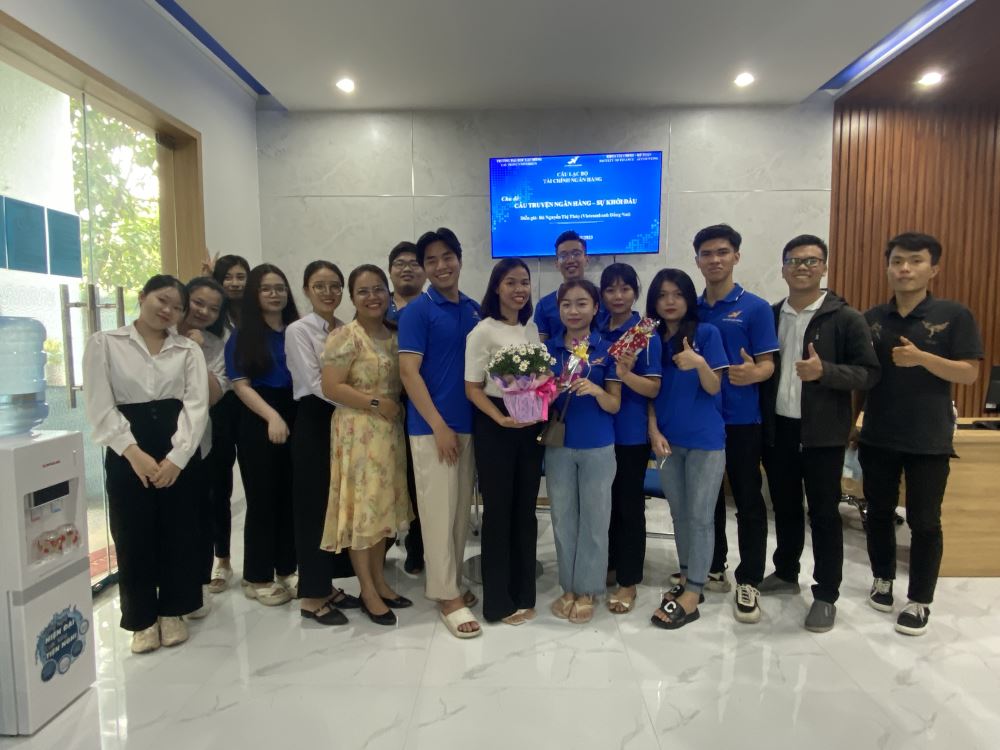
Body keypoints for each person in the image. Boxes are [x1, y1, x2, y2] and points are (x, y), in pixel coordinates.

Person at [854, 232, 982, 636]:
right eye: (896, 261)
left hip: (928, 439)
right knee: (878, 513)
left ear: (933, 269)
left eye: (915, 261)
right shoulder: (872, 318)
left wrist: (921, 358)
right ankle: (882, 579)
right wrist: (850, 426)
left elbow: (969, 372)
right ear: (887, 267)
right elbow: (863, 378)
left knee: (925, 521)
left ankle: (920, 600)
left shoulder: (953, 315)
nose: (904, 269)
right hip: (878, 434)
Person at [758, 235, 880, 633]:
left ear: (824, 267)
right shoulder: (771, 315)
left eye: (811, 261)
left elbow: (869, 373)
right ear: (783, 268)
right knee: (785, 507)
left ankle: (826, 594)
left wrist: (825, 371)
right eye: (794, 261)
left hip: (823, 433)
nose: (802, 267)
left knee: (825, 514)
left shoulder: (845, 318)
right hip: (779, 428)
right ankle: (786, 572)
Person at [83, 275, 209, 654]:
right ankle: (141, 619)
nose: (168, 310)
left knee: (179, 529)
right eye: (162, 300)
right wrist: (132, 452)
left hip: (176, 444)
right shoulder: (105, 343)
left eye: (177, 307)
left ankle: (173, 610)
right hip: (127, 447)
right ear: (142, 297)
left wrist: (177, 458)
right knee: (132, 532)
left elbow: (196, 405)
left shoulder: (187, 349)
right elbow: (100, 406)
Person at [398, 227, 483, 639]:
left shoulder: (473, 309)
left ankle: (452, 582)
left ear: (459, 259)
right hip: (432, 430)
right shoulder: (418, 311)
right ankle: (445, 595)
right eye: (431, 260)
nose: (441, 265)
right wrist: (438, 425)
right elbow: (408, 373)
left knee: (459, 513)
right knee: (436, 515)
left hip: (468, 426)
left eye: (447, 257)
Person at [693, 223, 778, 624]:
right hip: (701, 420)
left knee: (747, 499)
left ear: (736, 257)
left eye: (722, 252)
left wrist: (754, 373)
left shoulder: (756, 308)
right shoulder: (693, 309)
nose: (715, 260)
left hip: (743, 419)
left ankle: (750, 579)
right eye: (707, 254)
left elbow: (768, 364)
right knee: (707, 498)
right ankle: (714, 566)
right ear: (697, 260)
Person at [321, 264, 413, 626]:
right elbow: (331, 387)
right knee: (364, 512)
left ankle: (379, 582)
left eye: (378, 289)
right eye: (363, 291)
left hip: (389, 433)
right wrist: (375, 403)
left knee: (381, 512)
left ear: (388, 294)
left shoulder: (395, 335)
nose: (372, 297)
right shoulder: (345, 336)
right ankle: (368, 591)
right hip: (358, 432)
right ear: (352, 297)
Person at [465, 258, 546, 625]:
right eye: (511, 282)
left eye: (524, 282)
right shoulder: (482, 331)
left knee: (525, 511)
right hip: (495, 425)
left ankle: (524, 593)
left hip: (528, 424)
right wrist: (499, 418)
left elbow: (538, 377)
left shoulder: (531, 329)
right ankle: (498, 602)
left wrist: (544, 393)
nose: (519, 289)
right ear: (496, 287)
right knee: (498, 513)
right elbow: (472, 388)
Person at [646, 269, 728, 630]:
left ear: (688, 298)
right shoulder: (651, 340)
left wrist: (699, 362)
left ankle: (695, 591)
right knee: (679, 514)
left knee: (700, 516)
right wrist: (652, 430)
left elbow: (714, 387)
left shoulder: (706, 333)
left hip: (705, 441)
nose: (670, 301)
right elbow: (650, 392)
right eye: (663, 295)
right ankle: (685, 576)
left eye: (677, 294)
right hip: (667, 441)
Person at [285, 261, 360, 626]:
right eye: (320, 286)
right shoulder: (298, 330)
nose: (328, 293)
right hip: (316, 419)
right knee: (313, 508)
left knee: (337, 505)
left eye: (335, 286)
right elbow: (316, 383)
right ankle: (312, 596)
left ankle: (328, 585)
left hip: (345, 420)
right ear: (306, 290)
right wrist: (362, 402)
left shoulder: (345, 329)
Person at [545, 280, 621, 625]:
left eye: (581, 304)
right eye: (566, 305)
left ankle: (588, 589)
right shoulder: (547, 351)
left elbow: (614, 404)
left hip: (598, 445)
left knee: (594, 520)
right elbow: (536, 402)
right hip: (559, 446)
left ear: (595, 308)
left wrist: (595, 390)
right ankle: (568, 588)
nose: (573, 311)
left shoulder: (607, 350)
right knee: (562, 519)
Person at [224, 263, 300, 607]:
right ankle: (257, 576)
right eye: (266, 288)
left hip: (295, 411)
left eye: (280, 288)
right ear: (255, 294)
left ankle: (286, 568)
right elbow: (241, 385)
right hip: (259, 417)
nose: (274, 294)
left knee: (290, 496)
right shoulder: (242, 336)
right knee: (262, 498)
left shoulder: (296, 330)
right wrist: (272, 417)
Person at [598, 263, 662, 614]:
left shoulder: (644, 333)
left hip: (630, 433)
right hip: (598, 432)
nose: (617, 296)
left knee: (629, 507)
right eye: (610, 289)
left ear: (635, 292)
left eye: (625, 289)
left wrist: (624, 374)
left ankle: (629, 580)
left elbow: (653, 387)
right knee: (604, 505)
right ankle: (610, 564)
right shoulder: (595, 327)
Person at [177, 276, 229, 619]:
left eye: (213, 309)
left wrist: (195, 351)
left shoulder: (215, 345)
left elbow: (212, 395)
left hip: (196, 441)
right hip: (149, 441)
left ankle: (196, 587)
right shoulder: (155, 337)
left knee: (197, 515)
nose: (204, 312)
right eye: (198, 303)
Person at [205, 253, 251, 592]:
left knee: (257, 483)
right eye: (227, 277)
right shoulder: (209, 319)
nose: (234, 283)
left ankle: (262, 562)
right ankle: (222, 559)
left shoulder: (256, 315)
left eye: (240, 276)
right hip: (218, 405)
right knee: (218, 486)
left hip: (251, 403)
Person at [386, 240, 427, 574]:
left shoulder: (432, 307)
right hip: (383, 405)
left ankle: (417, 547)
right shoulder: (376, 306)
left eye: (414, 263)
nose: (407, 268)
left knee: (417, 479)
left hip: (422, 402)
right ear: (390, 271)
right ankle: (382, 543)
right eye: (400, 263)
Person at [534, 230, 607, 342]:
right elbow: (541, 347)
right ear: (556, 263)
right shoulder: (544, 305)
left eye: (576, 254)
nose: (570, 260)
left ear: (586, 259)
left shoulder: (604, 298)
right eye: (563, 256)